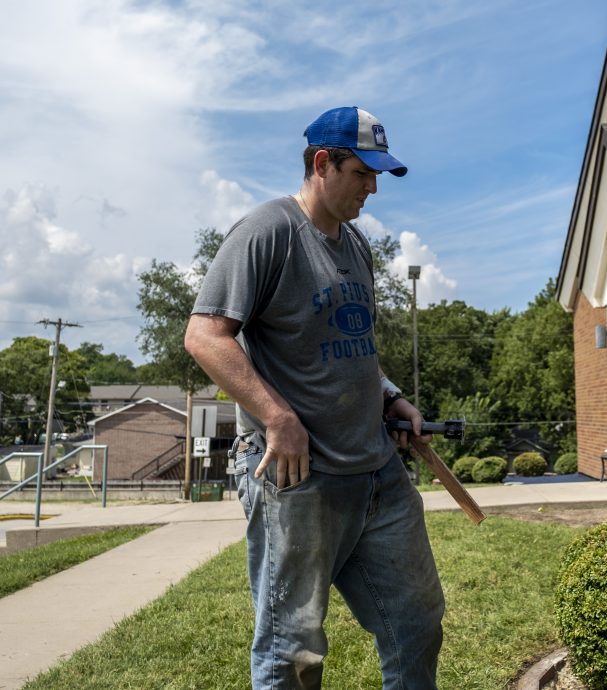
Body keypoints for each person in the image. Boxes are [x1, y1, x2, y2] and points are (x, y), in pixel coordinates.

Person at [184, 106, 445, 690]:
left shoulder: (355, 245)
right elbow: (204, 335)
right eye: (363, 173)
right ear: (322, 163)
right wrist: (277, 417)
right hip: (298, 483)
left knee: (417, 622)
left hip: (377, 473)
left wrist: (388, 398)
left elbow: (351, 344)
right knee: (292, 655)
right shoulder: (267, 232)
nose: (373, 187)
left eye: (378, 175)